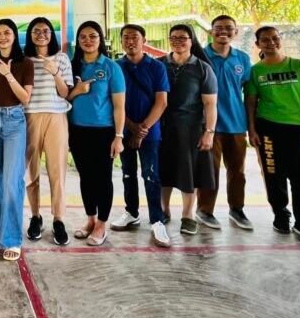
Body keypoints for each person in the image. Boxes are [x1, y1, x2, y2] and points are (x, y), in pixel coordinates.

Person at [246, 26, 300, 245]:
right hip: (268, 129)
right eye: (265, 39)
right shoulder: (256, 71)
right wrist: (251, 129)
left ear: (280, 40)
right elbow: (251, 102)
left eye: (274, 38)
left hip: (299, 130)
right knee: (273, 175)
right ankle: (281, 214)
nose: (270, 42)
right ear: (258, 44)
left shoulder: (299, 66)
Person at [111, 24, 171, 248]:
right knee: (127, 174)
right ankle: (131, 212)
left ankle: (157, 220)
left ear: (143, 40)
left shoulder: (156, 67)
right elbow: (113, 101)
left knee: (151, 175)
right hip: (124, 129)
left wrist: (143, 128)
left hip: (151, 131)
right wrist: (131, 128)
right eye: (125, 37)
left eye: (135, 37)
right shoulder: (117, 67)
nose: (130, 41)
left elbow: (162, 101)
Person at [0, 18, 34, 261]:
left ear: (14, 36)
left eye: (7, 32)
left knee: (13, 179)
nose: (2, 37)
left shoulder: (25, 63)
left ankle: (12, 239)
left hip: (14, 121)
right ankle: (2, 228)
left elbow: (25, 98)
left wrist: (8, 74)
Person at [67, 21, 125, 246]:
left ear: (100, 39)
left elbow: (119, 106)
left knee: (102, 179)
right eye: (83, 37)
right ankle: (90, 219)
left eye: (92, 36)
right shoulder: (74, 66)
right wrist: (77, 90)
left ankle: (102, 223)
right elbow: (65, 98)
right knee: (85, 177)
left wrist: (118, 137)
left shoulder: (111, 67)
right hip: (78, 131)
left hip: (104, 132)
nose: (87, 40)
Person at [158, 24, 218, 237]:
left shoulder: (202, 68)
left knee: (188, 174)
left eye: (183, 38)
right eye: (173, 37)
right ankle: (163, 211)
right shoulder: (159, 65)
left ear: (192, 41)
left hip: (191, 129)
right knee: (163, 172)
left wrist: (209, 132)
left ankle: (188, 215)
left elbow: (210, 104)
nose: (178, 41)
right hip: (162, 127)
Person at [197, 15, 255, 230]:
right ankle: (204, 210)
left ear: (236, 32)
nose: (224, 32)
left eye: (229, 28)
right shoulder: (200, 56)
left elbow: (248, 95)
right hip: (208, 126)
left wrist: (250, 125)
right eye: (219, 28)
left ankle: (237, 210)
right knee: (209, 171)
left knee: (237, 171)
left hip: (236, 125)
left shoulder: (242, 58)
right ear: (211, 32)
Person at [22, 17, 75, 245]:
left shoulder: (61, 58)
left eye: (46, 30)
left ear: (51, 35)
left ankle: (58, 219)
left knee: (57, 171)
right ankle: (35, 216)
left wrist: (54, 72)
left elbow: (65, 93)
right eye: (36, 30)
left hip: (56, 118)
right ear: (30, 35)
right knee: (30, 172)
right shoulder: (24, 60)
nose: (41, 34)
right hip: (29, 117)